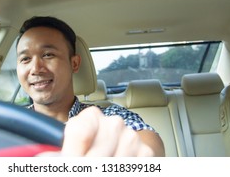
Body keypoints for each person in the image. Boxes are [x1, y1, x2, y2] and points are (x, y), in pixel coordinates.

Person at [16, 16, 165, 157]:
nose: (35, 68)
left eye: (48, 55)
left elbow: (148, 147)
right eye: (25, 59)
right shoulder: (8, 121)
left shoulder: (109, 116)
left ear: (74, 64)